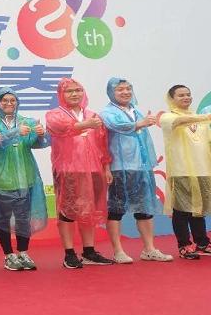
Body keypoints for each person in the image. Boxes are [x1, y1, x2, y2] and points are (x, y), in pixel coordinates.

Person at [99, 78, 172, 263]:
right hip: (120, 167)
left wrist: (142, 122)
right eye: (120, 89)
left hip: (142, 166)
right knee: (116, 209)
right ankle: (118, 251)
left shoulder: (136, 111)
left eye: (128, 88)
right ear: (111, 92)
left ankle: (149, 249)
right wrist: (140, 123)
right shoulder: (107, 112)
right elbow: (116, 126)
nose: (125, 92)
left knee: (145, 208)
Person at [46, 78, 113, 269]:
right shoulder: (55, 114)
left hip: (93, 170)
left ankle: (89, 251)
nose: (75, 94)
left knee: (89, 211)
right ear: (61, 94)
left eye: (78, 90)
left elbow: (103, 144)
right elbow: (60, 128)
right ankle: (69, 253)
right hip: (68, 170)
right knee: (67, 212)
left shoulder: (92, 115)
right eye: (69, 91)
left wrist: (106, 167)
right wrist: (85, 125)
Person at [0, 87, 49, 271]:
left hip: (25, 178)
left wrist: (40, 134)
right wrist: (15, 132)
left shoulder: (26, 121)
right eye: (5, 100)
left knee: (23, 218)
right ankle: (8, 255)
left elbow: (36, 143)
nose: (9, 103)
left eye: (13, 100)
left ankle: (23, 252)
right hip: (1, 180)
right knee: (3, 219)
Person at [159, 85, 211, 259]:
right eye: (181, 95)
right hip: (181, 170)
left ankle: (202, 242)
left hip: (202, 169)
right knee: (182, 210)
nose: (186, 97)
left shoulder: (199, 120)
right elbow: (179, 122)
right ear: (171, 98)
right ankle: (184, 245)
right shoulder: (168, 117)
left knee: (199, 208)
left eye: (188, 94)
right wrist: (206, 117)